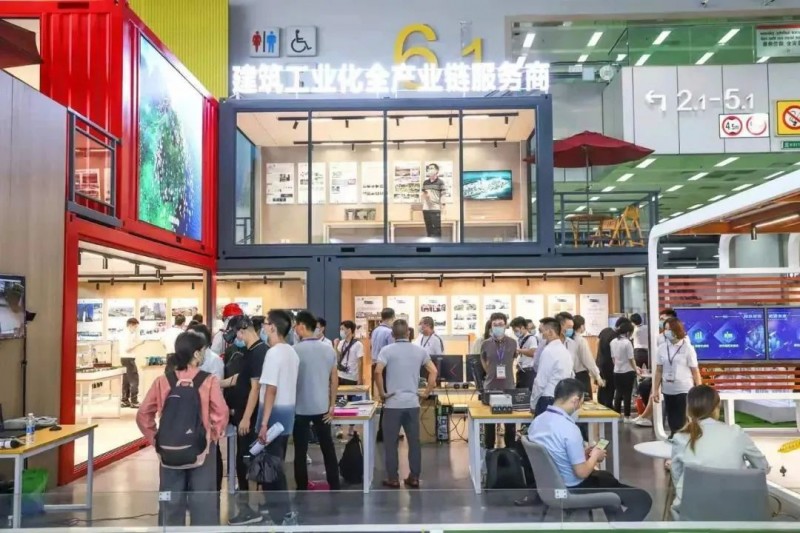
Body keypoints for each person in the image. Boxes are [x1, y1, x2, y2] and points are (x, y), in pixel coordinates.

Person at [136, 332, 229, 526]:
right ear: (196, 354)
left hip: (169, 451)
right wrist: (212, 435)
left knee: (170, 501)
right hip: (202, 450)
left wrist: (156, 439)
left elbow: (143, 414)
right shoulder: (208, 380)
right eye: (202, 351)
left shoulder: (163, 381)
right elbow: (221, 413)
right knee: (203, 502)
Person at [529, 378, 652, 521]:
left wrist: (583, 454)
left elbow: (554, 455)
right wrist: (595, 457)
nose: (579, 408)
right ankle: (619, 526)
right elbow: (581, 472)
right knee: (642, 499)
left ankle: (615, 522)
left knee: (606, 478)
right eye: (581, 403)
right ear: (575, 400)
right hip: (573, 488)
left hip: (549, 486)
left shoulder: (537, 423)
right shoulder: (569, 429)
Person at [670, 385, 770, 513]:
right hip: (738, 510)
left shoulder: (680, 438)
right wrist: (742, 474)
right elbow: (763, 467)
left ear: (688, 410)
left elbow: (677, 478)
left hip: (695, 513)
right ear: (716, 408)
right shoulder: (736, 433)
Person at [374, 319, 437, 488]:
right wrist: (426, 393)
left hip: (392, 404)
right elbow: (433, 371)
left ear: (392, 334)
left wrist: (382, 393)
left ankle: (393, 478)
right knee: (414, 442)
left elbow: (378, 372)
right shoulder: (420, 351)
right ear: (408, 333)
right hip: (412, 404)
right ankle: (414, 477)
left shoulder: (386, 351)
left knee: (390, 443)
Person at [255, 309, 300, 526]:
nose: (263, 328)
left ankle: (281, 517)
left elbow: (270, 389)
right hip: (286, 418)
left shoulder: (273, 354)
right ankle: (282, 514)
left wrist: (264, 423)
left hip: (272, 418)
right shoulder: (292, 353)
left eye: (265, 323)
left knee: (271, 470)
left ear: (272, 327)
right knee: (275, 466)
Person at [224, 315, 269, 526]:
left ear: (243, 330)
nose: (237, 339)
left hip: (249, 419)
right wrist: (216, 383)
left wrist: (246, 418)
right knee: (245, 461)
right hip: (244, 416)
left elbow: (255, 388)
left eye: (237, 335)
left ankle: (252, 509)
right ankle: (252, 506)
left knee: (249, 462)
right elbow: (240, 378)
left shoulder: (259, 352)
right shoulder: (249, 352)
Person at [291, 311, 340, 491]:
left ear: (302, 327)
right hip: (322, 406)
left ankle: (301, 486)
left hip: (299, 408)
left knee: (300, 450)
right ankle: (335, 483)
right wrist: (332, 404)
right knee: (328, 448)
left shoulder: (294, 351)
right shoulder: (329, 349)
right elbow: (334, 379)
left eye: (296, 325)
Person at [187, 323, 225, 491]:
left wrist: (216, 423)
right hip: (189, 417)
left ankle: (214, 490)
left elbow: (218, 392)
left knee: (212, 454)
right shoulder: (184, 360)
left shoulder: (214, 360)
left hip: (207, 417)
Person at [653, 317, 701, 438]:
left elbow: (695, 371)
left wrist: (699, 389)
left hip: (684, 388)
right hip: (668, 389)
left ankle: (678, 439)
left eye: (669, 329)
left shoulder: (687, 348)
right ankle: (675, 438)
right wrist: (655, 390)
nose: (666, 332)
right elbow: (659, 370)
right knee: (671, 418)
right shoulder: (662, 348)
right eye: (665, 329)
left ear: (677, 330)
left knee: (680, 419)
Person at [480, 313, 518, 449]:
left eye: (500, 324)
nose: (498, 327)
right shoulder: (485, 344)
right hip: (490, 386)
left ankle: (511, 452)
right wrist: (491, 372)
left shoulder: (513, 343)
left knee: (510, 423)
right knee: (489, 423)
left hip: (508, 386)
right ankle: (489, 451)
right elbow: (483, 361)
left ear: (505, 325)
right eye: (495, 324)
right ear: (491, 326)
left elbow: (512, 359)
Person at [530, 317, 574, 416]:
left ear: (550, 332)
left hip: (547, 399)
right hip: (562, 398)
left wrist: (533, 403)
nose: (541, 335)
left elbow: (540, 382)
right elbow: (571, 375)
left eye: (542, 331)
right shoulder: (565, 351)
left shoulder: (548, 351)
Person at [596, 317, 632, 409]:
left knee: (602, 385)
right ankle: (608, 407)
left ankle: (600, 404)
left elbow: (597, 342)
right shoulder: (616, 337)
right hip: (610, 364)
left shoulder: (605, 330)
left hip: (600, 361)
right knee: (610, 387)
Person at [611, 320, 638, 422]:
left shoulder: (613, 342)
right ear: (628, 332)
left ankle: (617, 415)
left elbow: (613, 358)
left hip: (616, 371)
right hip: (628, 371)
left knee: (618, 393)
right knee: (627, 394)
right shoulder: (627, 343)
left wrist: (618, 366)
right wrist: (636, 369)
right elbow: (631, 359)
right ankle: (627, 416)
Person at [119, 317, 145, 408]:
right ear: (130, 325)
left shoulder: (124, 333)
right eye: (135, 327)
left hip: (124, 358)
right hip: (129, 359)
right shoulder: (127, 335)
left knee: (126, 380)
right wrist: (139, 343)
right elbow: (128, 349)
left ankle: (124, 400)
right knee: (134, 380)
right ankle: (134, 401)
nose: (136, 329)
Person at [510, 316, 537, 390]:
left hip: (529, 371)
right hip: (521, 371)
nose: (515, 333)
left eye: (516, 330)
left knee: (527, 393)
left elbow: (533, 352)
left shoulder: (531, 338)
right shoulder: (519, 339)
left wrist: (519, 350)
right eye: (514, 331)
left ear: (522, 328)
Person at [421, 162, 446, 238]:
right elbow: (423, 193)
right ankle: (430, 242)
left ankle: (437, 244)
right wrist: (425, 195)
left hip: (435, 208)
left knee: (436, 229)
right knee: (429, 229)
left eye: (432, 168)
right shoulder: (425, 182)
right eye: (429, 169)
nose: (430, 170)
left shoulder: (440, 182)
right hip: (426, 208)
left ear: (436, 171)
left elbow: (443, 195)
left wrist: (443, 208)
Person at [335, 320, 364, 386]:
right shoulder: (341, 343)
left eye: (342, 329)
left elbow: (360, 362)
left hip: (352, 377)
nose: (341, 331)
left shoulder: (358, 344)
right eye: (340, 329)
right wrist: (335, 346)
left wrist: (360, 378)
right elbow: (337, 358)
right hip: (340, 375)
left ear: (349, 330)